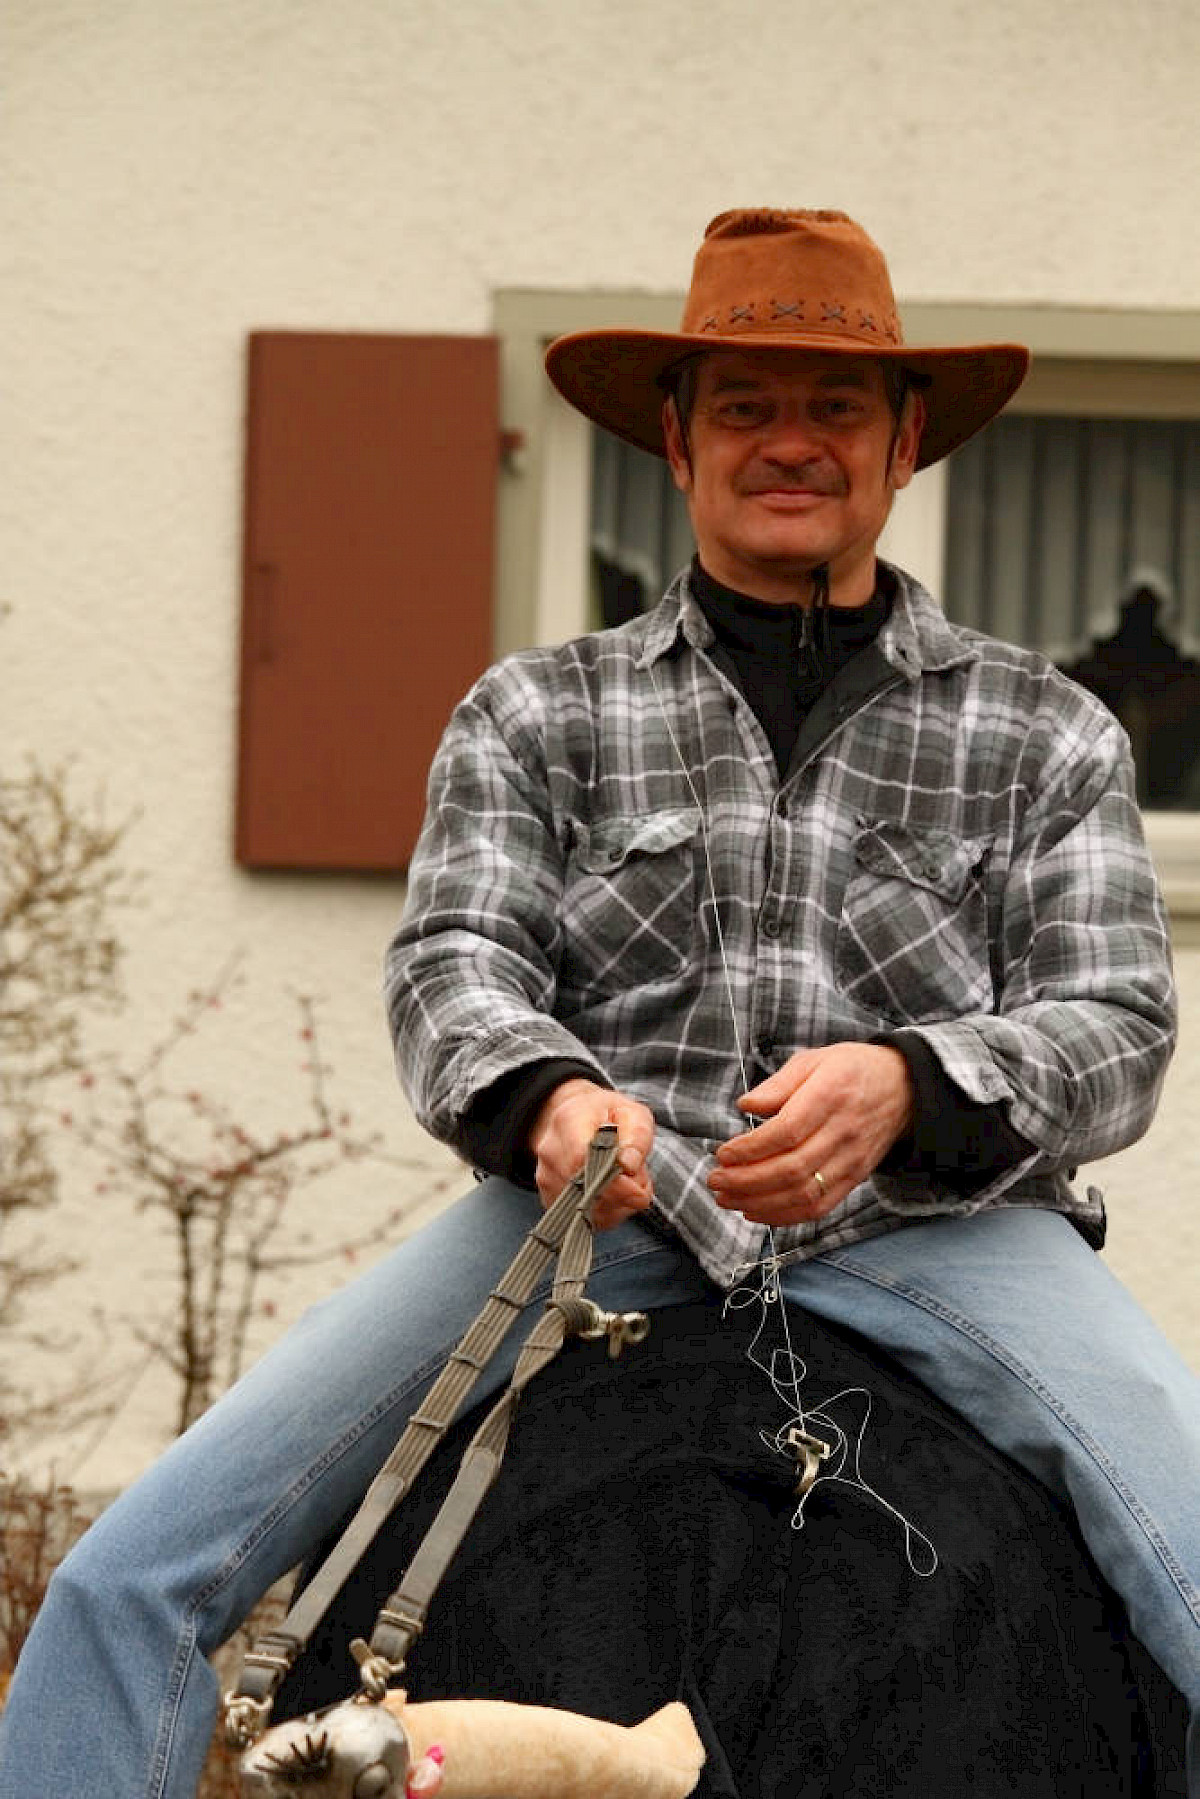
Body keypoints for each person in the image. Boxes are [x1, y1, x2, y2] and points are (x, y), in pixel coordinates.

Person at [1, 208, 1197, 1799]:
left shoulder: (1048, 730)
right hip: (592, 1218)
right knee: (128, 1578)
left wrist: (913, 1084)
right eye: (745, 406)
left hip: (947, 1228)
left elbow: (1116, 1021)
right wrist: (552, 1102)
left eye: (835, 408)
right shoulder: (534, 711)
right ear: (677, 441)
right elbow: (452, 962)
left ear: (905, 442)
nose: (791, 442)